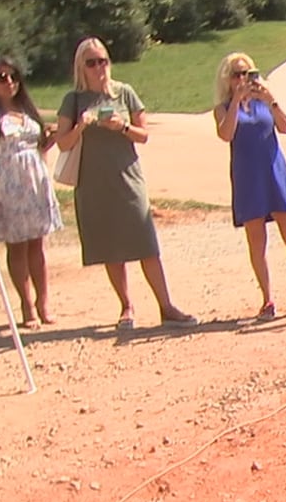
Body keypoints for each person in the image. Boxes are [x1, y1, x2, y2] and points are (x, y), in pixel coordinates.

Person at [56, 37, 197, 330]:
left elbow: (143, 135)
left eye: (103, 60)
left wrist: (121, 126)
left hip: (127, 177)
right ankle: (126, 306)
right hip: (93, 183)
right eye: (91, 62)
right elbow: (62, 142)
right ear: (81, 67)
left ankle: (166, 306)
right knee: (110, 247)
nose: (99, 68)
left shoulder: (125, 92)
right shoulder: (73, 99)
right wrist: (82, 124)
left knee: (146, 242)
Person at [213, 52, 286, 321]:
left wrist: (270, 100)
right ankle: (268, 299)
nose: (242, 79)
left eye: (248, 73)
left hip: (274, 171)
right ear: (227, 79)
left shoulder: (265, 103)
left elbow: (285, 127)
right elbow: (226, 135)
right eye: (237, 74)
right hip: (248, 176)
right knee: (257, 240)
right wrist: (237, 100)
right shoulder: (224, 108)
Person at [0, 57, 64, 329]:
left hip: (35, 181)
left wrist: (49, 138)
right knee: (16, 246)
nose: (9, 82)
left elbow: (37, 146)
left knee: (38, 244)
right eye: (2, 77)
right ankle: (26, 304)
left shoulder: (26, 108)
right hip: (6, 184)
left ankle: (43, 301)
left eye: (13, 76)